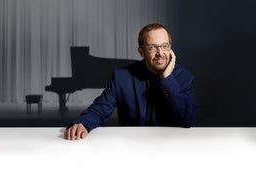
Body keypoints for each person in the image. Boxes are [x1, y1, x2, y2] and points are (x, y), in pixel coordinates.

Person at [64, 23, 197, 140]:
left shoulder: (184, 77)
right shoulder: (122, 77)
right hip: (131, 146)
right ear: (141, 52)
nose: (160, 53)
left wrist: (167, 79)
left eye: (164, 46)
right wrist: (83, 123)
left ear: (170, 49)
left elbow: (188, 120)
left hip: (170, 146)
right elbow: (101, 108)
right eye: (152, 47)